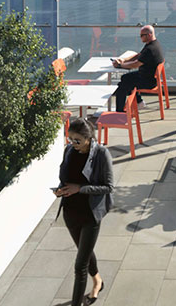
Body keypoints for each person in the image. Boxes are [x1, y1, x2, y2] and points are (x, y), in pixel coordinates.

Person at [55, 117, 114, 305]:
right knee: (85, 251)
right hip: (70, 213)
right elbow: (65, 178)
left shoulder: (102, 154)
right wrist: (61, 189)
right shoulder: (69, 151)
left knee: (80, 265)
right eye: (70, 139)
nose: (73, 144)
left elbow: (108, 187)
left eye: (77, 141)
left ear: (88, 139)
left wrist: (80, 188)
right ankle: (98, 281)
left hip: (90, 214)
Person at [112, 25, 164, 112]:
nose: (140, 38)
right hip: (147, 76)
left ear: (149, 35)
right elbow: (139, 56)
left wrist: (120, 65)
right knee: (124, 78)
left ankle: (119, 111)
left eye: (142, 35)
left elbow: (136, 64)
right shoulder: (153, 44)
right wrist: (124, 60)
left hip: (148, 81)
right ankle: (139, 102)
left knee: (122, 86)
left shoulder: (150, 49)